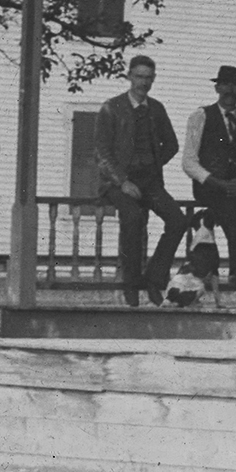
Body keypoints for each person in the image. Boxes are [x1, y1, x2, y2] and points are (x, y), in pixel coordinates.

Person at [95, 54, 189, 308]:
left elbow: (171, 144)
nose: (143, 83)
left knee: (178, 220)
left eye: (148, 78)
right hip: (117, 182)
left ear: (154, 79)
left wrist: (152, 165)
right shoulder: (111, 108)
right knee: (133, 217)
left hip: (149, 181)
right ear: (129, 76)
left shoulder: (156, 109)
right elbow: (102, 152)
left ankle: (154, 278)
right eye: (138, 77)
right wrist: (122, 180)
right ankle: (131, 283)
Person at [180, 65, 236, 293]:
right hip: (209, 186)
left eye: (235, 86)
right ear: (217, 87)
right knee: (234, 214)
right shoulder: (201, 116)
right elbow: (189, 162)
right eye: (226, 85)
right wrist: (218, 183)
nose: (230, 90)